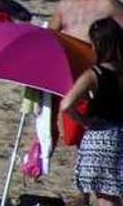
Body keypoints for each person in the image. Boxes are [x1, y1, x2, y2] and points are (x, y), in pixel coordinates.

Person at [60, 19, 123, 206]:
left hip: (102, 136)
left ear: (97, 45)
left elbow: (66, 105)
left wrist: (84, 120)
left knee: (105, 195)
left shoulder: (94, 74)